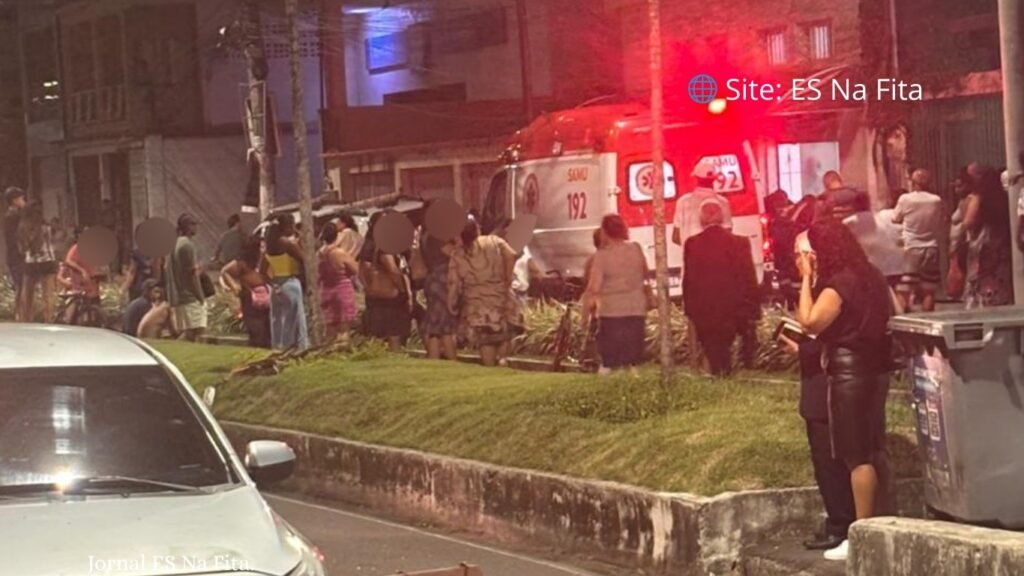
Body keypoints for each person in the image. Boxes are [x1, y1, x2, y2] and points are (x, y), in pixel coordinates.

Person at [796, 220, 894, 561]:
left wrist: (806, 277)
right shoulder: (871, 275)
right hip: (875, 369)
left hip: (850, 372)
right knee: (873, 448)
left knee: (856, 455)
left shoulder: (840, 283)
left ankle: (862, 535)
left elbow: (810, 322)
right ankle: (880, 524)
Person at [776, 332, 856, 552]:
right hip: (832, 387)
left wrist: (803, 349)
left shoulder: (837, 298)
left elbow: (816, 323)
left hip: (831, 389)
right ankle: (840, 522)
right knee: (829, 462)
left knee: (830, 462)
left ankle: (842, 525)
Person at [683, 201, 759, 377]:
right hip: (733, 306)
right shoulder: (739, 243)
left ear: (701, 219)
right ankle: (727, 372)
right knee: (726, 345)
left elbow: (690, 279)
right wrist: (753, 309)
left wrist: (690, 308)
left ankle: (719, 374)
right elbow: (748, 276)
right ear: (722, 218)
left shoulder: (692, 244)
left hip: (705, 308)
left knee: (713, 347)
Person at [674, 159, 733, 371]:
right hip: (719, 270)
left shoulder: (683, 202)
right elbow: (727, 235)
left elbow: (675, 235)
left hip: (691, 268)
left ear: (696, 178)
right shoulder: (723, 203)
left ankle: (693, 362)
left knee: (692, 314)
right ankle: (713, 361)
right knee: (718, 315)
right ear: (714, 180)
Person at [448, 217, 519, 367]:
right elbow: (512, 255)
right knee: (504, 334)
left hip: (477, 304)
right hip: (501, 296)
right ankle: (503, 360)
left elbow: (453, 283)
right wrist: (507, 279)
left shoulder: (457, 254)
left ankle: (490, 368)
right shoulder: (494, 241)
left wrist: (451, 302)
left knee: (486, 339)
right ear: (477, 229)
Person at [584, 215, 648, 375]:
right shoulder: (636, 249)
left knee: (611, 361)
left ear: (605, 232)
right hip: (636, 309)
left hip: (612, 312)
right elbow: (644, 272)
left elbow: (594, 286)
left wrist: (587, 310)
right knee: (632, 360)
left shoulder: (602, 256)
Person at [358, 211, 412, 352]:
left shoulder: (377, 245)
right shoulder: (382, 247)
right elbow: (392, 270)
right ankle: (395, 359)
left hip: (379, 296)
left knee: (381, 334)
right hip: (390, 296)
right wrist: (402, 290)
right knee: (393, 333)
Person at [892, 169, 943, 312]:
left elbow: (895, 218)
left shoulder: (905, 199)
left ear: (913, 183)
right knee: (929, 290)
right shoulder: (936, 200)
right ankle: (929, 320)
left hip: (911, 247)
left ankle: (904, 323)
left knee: (904, 290)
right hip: (931, 248)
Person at [963, 167, 1013, 308]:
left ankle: (981, 305)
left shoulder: (979, 197)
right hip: (1002, 242)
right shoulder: (1005, 197)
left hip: (984, 242)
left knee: (980, 276)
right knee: (1000, 276)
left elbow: (968, 221)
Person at [261, 213, 309, 351]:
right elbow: (304, 258)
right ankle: (294, 348)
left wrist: (273, 284)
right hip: (290, 282)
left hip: (276, 285)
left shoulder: (268, 247)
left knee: (277, 320)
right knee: (294, 319)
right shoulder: (287, 243)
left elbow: (262, 272)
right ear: (287, 226)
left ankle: (278, 348)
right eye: (292, 225)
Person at [844, 192, 908, 291]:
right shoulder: (881, 217)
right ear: (868, 203)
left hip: (867, 267)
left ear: (853, 205)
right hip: (889, 264)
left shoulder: (848, 222)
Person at [221, 236, 272, 348]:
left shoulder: (264, 261)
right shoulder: (242, 263)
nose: (263, 249)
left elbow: (268, 276)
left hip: (265, 299)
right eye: (261, 247)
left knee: (267, 332)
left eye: (265, 246)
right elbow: (225, 272)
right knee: (256, 331)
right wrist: (234, 286)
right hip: (250, 299)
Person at [165, 213, 207, 342]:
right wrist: (200, 297)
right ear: (188, 227)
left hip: (180, 296)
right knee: (197, 331)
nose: (196, 227)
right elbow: (191, 276)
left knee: (191, 332)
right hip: (190, 297)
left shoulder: (175, 243)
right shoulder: (187, 245)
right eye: (194, 224)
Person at [420, 226, 459, 360]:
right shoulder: (437, 237)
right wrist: (458, 240)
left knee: (435, 325)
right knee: (445, 325)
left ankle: (434, 359)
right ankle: (452, 360)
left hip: (432, 279)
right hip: (441, 281)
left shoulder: (426, 235)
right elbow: (454, 253)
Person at [318, 223, 359, 346]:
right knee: (343, 326)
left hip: (325, 289)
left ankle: (329, 351)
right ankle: (342, 351)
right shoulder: (339, 253)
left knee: (330, 326)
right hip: (342, 289)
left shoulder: (319, 253)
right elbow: (355, 269)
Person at [17, 200, 58, 322]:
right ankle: (49, 320)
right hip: (48, 262)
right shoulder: (46, 225)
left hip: (31, 263)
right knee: (48, 295)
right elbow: (52, 241)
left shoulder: (22, 227)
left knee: (28, 295)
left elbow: (21, 249)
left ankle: (27, 320)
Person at [61, 228, 103, 325]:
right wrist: (81, 270)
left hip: (92, 286)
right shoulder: (76, 248)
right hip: (79, 285)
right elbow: (68, 261)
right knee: (71, 316)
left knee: (96, 313)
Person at [121, 224, 163, 302]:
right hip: (150, 290)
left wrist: (123, 289)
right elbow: (157, 272)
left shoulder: (137, 253)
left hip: (138, 289)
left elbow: (132, 273)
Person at [4, 187, 27, 320]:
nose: (23, 201)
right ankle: (21, 314)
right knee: (22, 285)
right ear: (14, 200)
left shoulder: (14, 215)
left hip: (17, 255)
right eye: (21, 198)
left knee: (22, 285)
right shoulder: (13, 216)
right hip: (17, 256)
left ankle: (20, 314)